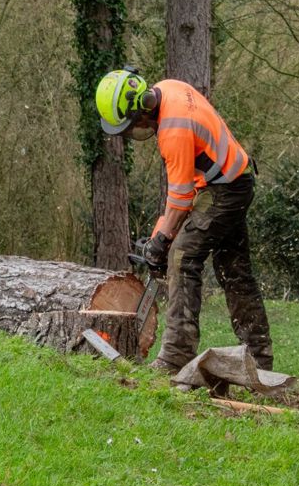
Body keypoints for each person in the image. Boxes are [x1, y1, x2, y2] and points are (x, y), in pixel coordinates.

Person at [94, 67, 272, 373]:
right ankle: (259, 359)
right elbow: (183, 188)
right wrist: (161, 233)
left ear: (140, 113)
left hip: (225, 189)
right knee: (234, 271)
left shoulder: (173, 129)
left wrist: (162, 242)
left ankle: (176, 354)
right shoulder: (169, 88)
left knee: (181, 257)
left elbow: (180, 197)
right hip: (232, 179)